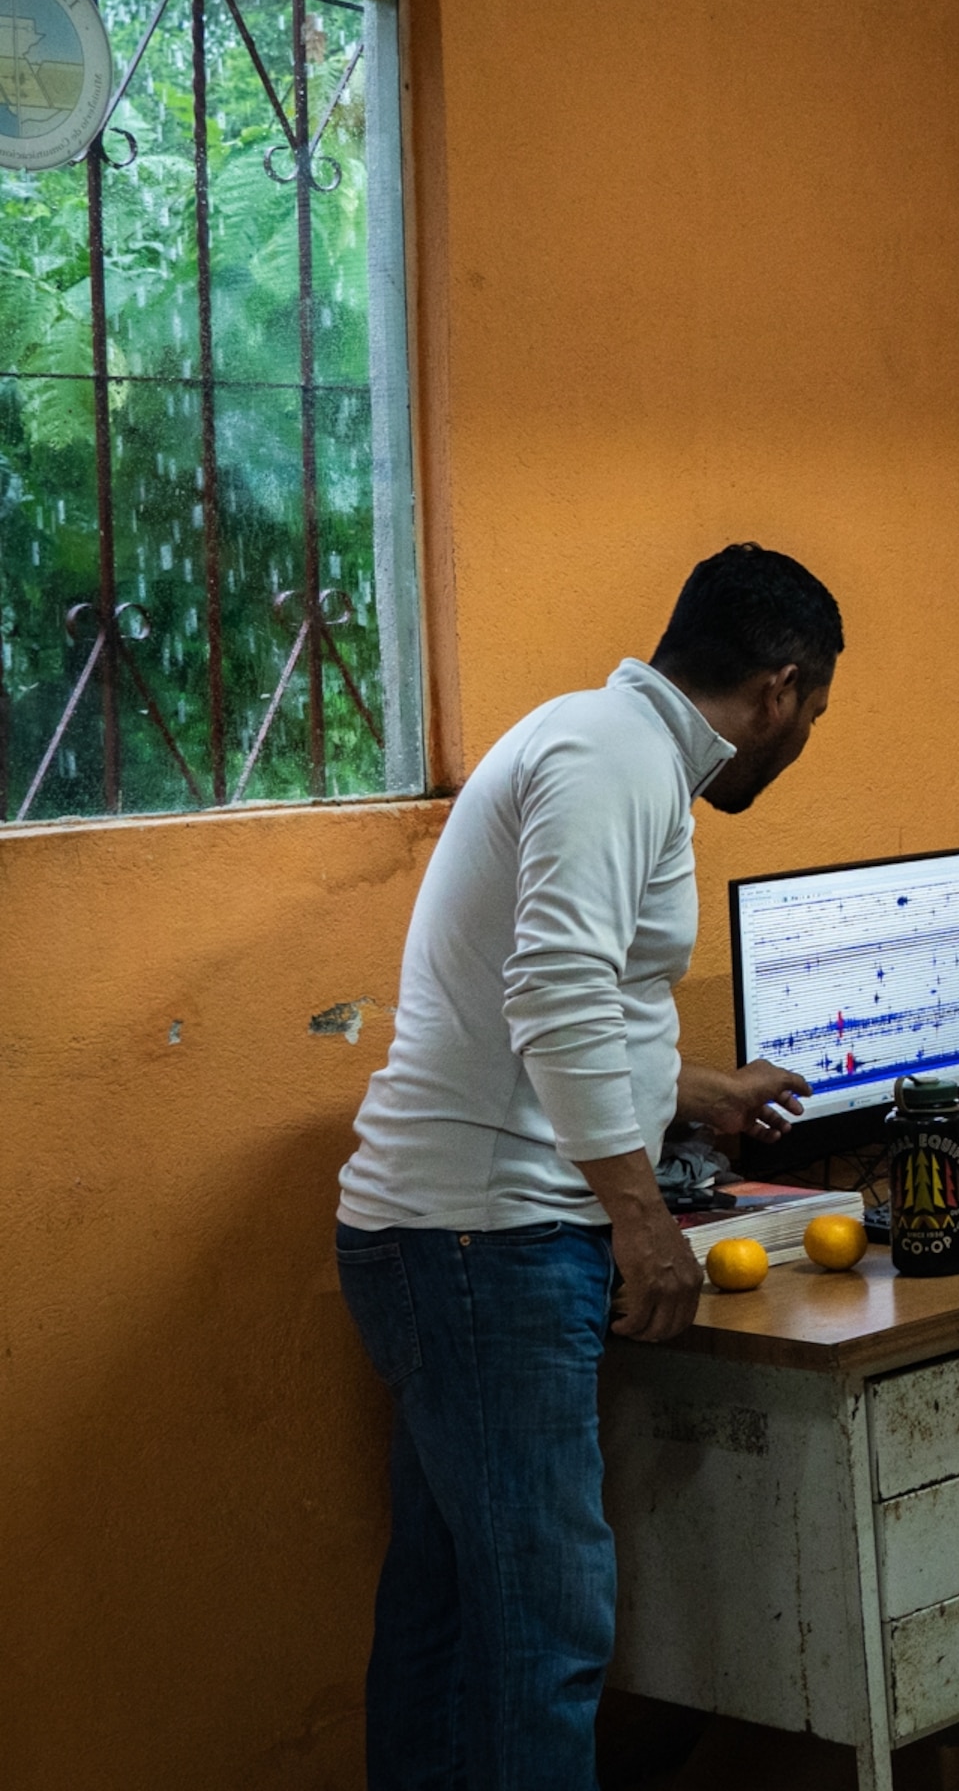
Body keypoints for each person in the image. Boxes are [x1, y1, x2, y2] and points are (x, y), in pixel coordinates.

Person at [331, 542, 842, 1790]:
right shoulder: (615, 759)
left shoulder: (607, 746)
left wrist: (695, 1089)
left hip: (454, 1233)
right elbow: (553, 998)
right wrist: (643, 1222)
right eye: (816, 711)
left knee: (456, 1614)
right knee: (548, 1632)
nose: (804, 736)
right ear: (777, 688)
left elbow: (575, 1000)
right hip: (484, 1241)